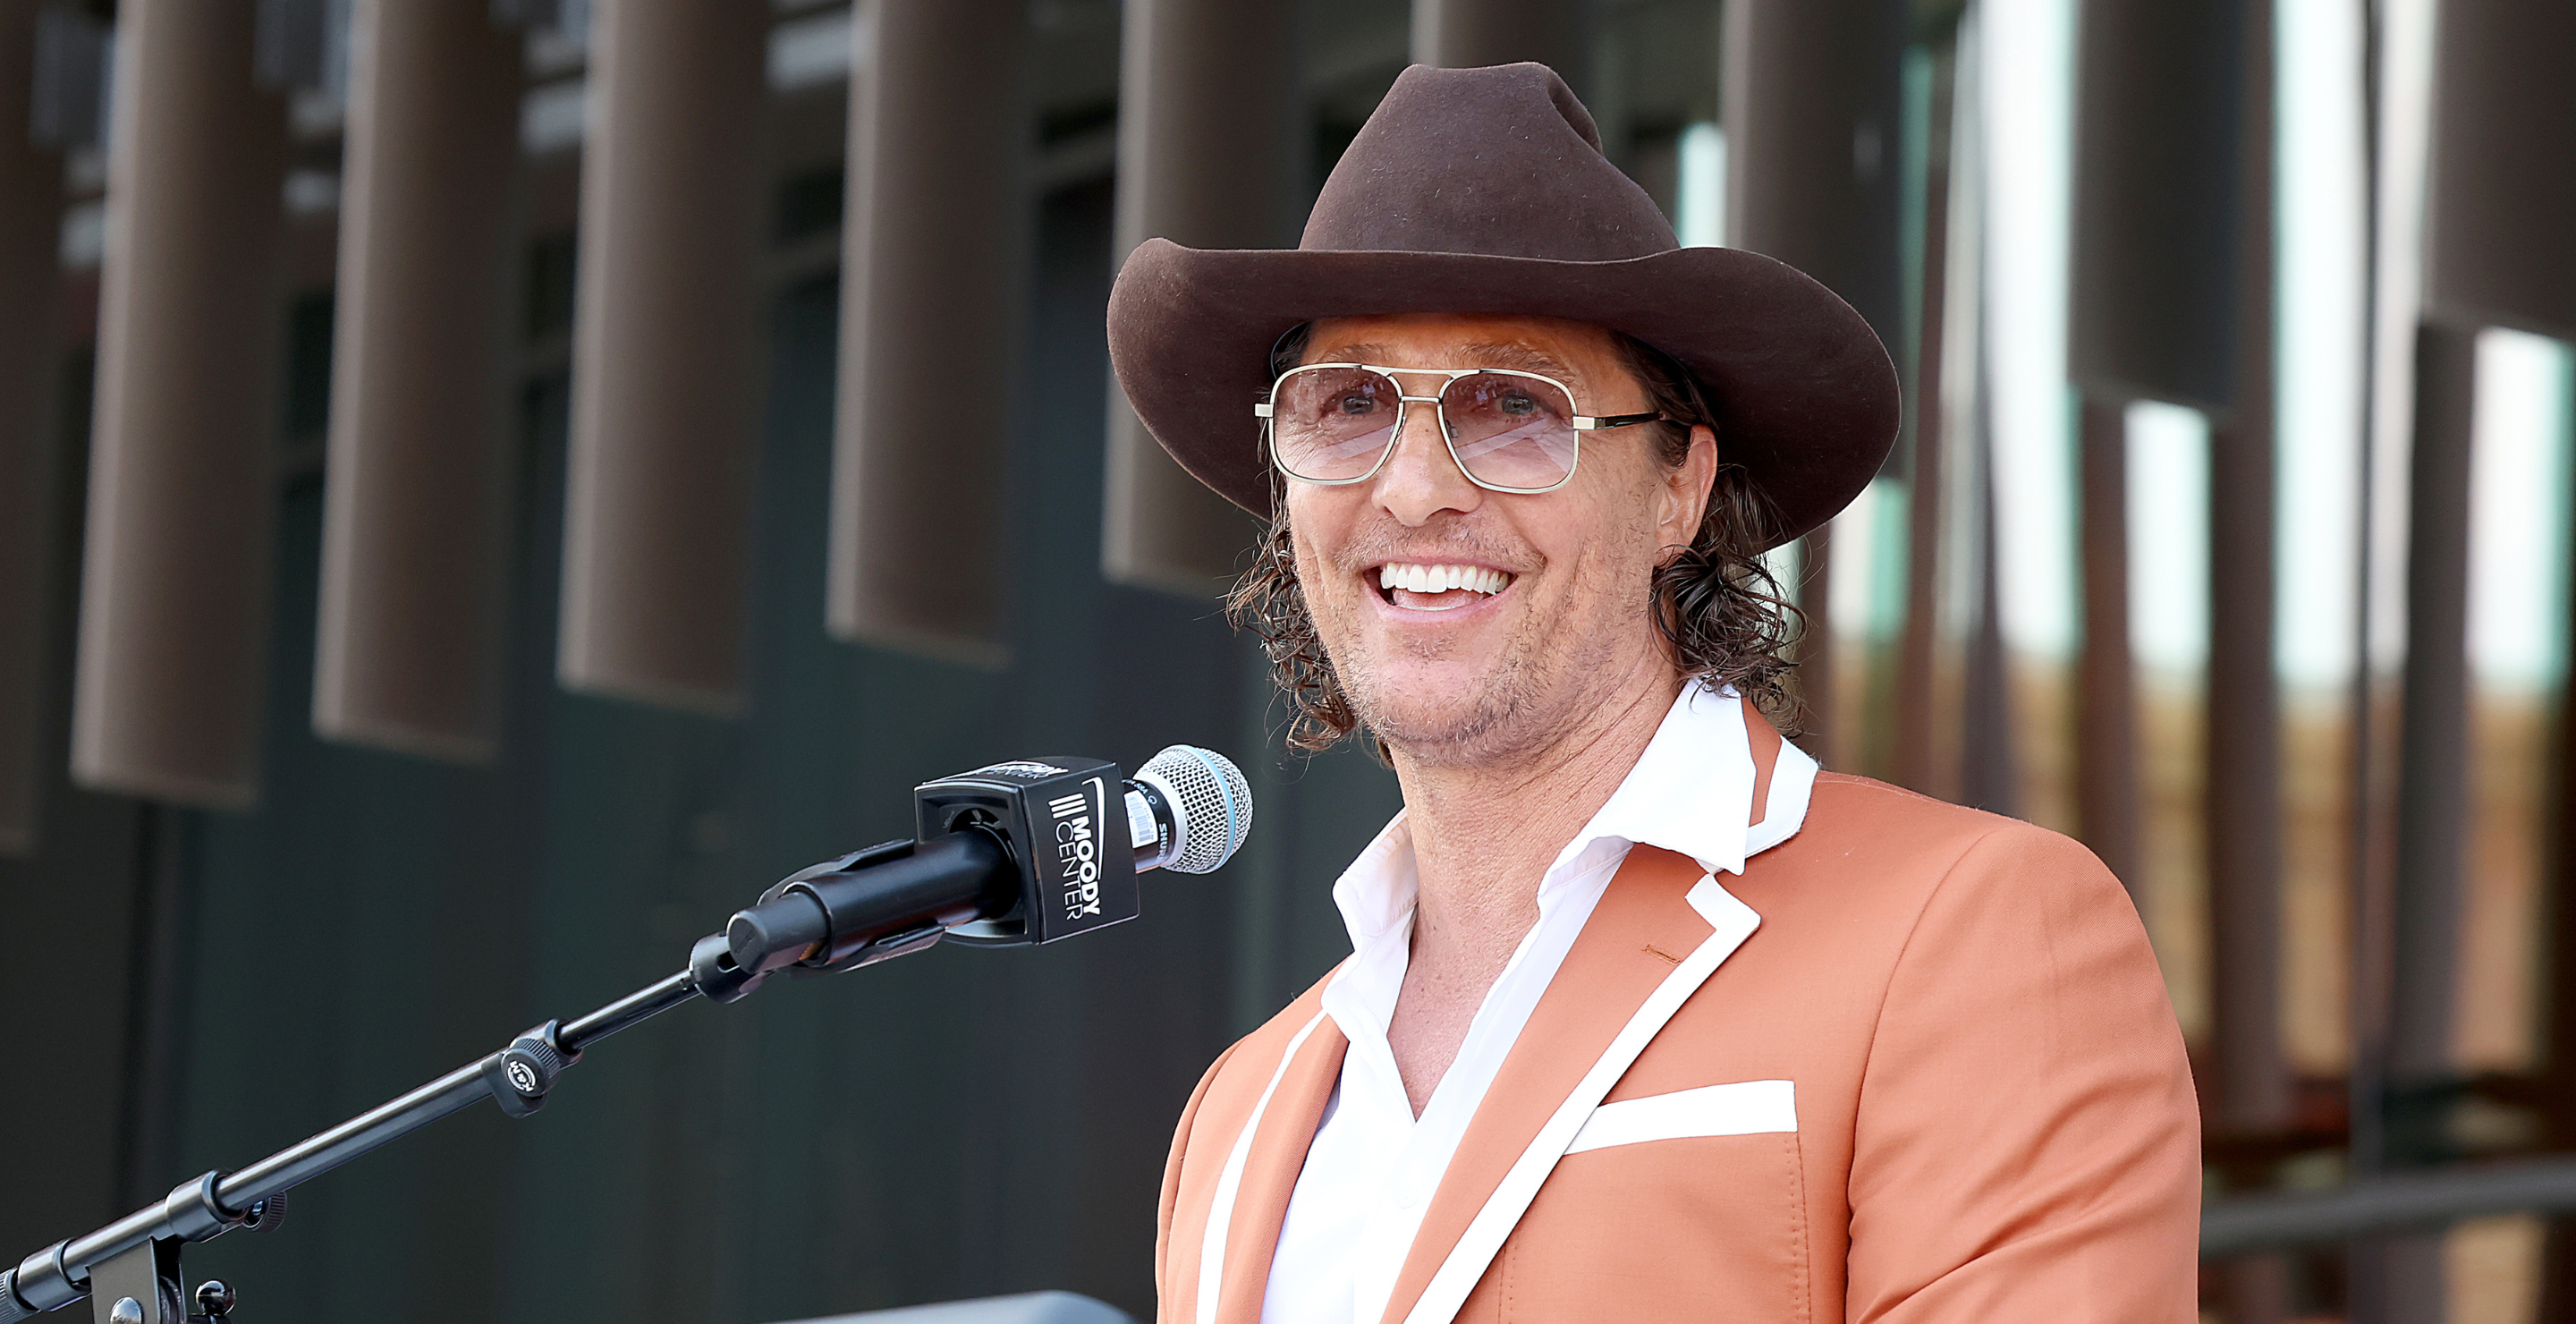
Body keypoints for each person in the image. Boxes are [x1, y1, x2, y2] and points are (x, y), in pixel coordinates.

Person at [1105, 62, 2199, 1324]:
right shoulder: (1242, 1113)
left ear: (1680, 489)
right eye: (1349, 404)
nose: (1411, 490)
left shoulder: (1971, 936)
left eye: (1514, 406)